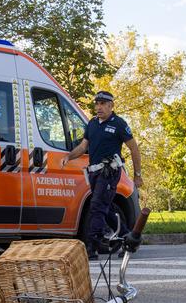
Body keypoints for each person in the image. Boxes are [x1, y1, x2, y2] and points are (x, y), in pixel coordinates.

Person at [60, 91, 143, 258]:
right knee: (107, 208)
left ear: (111, 106)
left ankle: (92, 245)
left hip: (110, 172)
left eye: (103, 104)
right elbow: (83, 147)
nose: (99, 107)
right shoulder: (92, 124)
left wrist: (137, 174)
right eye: (97, 104)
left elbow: (134, 149)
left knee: (97, 205)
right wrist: (68, 156)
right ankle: (129, 239)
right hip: (94, 173)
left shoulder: (119, 124)